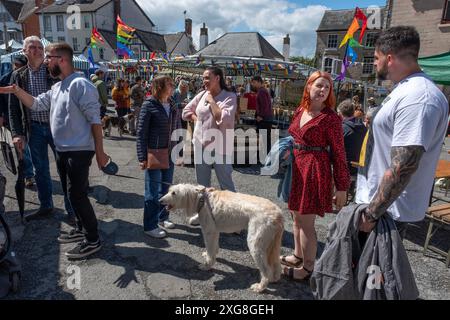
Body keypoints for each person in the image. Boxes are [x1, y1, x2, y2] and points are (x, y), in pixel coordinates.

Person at [0, 42, 110, 258]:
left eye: (49, 57)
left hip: (79, 151)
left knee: (78, 196)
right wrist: (16, 90)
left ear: (62, 60)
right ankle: (81, 229)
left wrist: (100, 152)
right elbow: (36, 104)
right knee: (71, 193)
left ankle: (93, 239)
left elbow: (95, 121)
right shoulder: (58, 87)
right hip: (64, 150)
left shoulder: (81, 84)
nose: (47, 61)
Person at [356, 26, 448, 244]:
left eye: (376, 57)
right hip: (378, 207)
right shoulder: (405, 90)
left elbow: (403, 166)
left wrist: (371, 215)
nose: (375, 63)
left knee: (373, 275)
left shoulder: (418, 97)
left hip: (386, 214)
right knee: (360, 272)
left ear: (389, 58)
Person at [280, 71, 350, 281]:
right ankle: (297, 255)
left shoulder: (331, 119)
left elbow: (339, 153)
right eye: (319, 85)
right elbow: (293, 136)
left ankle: (308, 269)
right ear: (309, 86)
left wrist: (342, 186)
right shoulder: (301, 110)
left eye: (326, 87)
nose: (322, 90)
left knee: (306, 223)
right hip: (296, 168)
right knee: (295, 216)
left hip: (314, 171)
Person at [8, 36, 73, 221]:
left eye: (39, 47)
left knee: (65, 168)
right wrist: (17, 134)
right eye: (32, 47)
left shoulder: (52, 70)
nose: (37, 50)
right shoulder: (18, 75)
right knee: (40, 170)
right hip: (34, 129)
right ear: (24, 51)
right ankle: (46, 206)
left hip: (57, 128)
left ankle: (72, 209)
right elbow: (14, 108)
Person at [182, 67, 237, 225]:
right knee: (202, 184)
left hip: (220, 147)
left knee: (226, 184)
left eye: (207, 78)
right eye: (203, 78)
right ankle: (202, 215)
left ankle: (233, 219)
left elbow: (223, 118)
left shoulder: (230, 96)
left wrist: (212, 101)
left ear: (218, 78)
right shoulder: (201, 95)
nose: (204, 81)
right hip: (200, 145)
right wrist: (196, 118)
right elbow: (186, 111)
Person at [136, 75, 178, 238]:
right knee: (152, 192)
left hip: (170, 153)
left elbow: (178, 128)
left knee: (167, 189)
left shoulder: (173, 104)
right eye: (170, 83)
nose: (173, 86)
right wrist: (142, 157)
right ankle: (150, 225)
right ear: (159, 86)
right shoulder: (149, 105)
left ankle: (162, 217)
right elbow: (141, 133)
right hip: (154, 153)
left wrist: (179, 151)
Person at [0, 55, 35, 188]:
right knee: (22, 149)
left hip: (29, 118)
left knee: (32, 147)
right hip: (12, 119)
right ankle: (28, 175)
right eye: (15, 65)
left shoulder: (29, 78)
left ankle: (32, 171)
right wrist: (1, 115)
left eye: (19, 66)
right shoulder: (5, 79)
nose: (16, 68)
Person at [337, 99, 367, 176]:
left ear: (340, 114)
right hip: (360, 168)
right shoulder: (363, 127)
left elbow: (333, 150)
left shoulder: (341, 129)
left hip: (345, 170)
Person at [251, 75, 273, 160]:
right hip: (266, 119)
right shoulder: (262, 91)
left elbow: (265, 106)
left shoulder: (262, 91)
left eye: (254, 82)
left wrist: (260, 116)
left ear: (259, 81)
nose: (253, 84)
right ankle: (265, 158)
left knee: (265, 140)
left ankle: (266, 158)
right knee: (265, 140)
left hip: (265, 119)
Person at [172, 80, 189, 166]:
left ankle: (181, 153)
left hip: (183, 116)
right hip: (176, 117)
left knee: (183, 134)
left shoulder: (186, 93)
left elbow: (188, 100)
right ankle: (176, 154)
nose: (185, 90)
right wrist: (181, 104)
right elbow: (173, 104)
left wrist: (187, 101)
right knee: (177, 134)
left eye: (186, 89)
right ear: (181, 87)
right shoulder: (175, 93)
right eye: (184, 88)